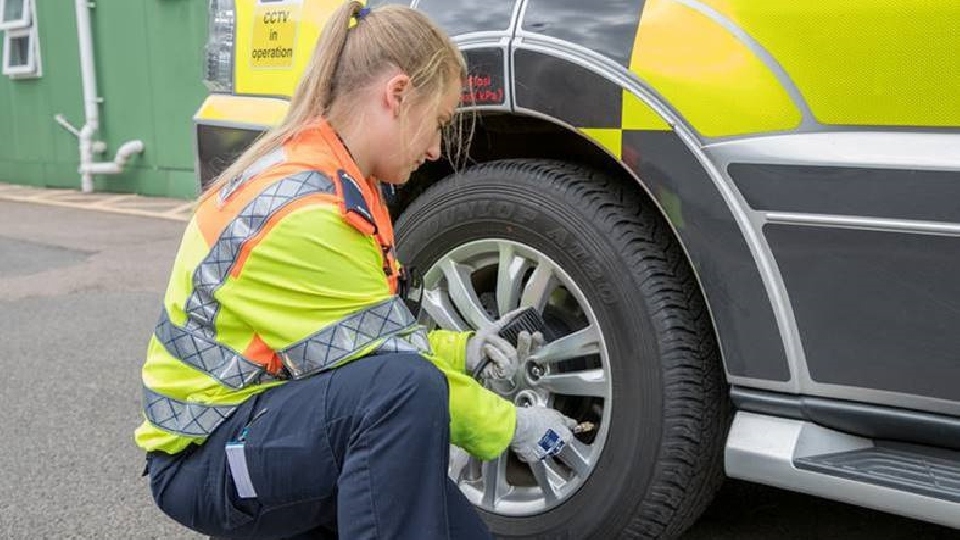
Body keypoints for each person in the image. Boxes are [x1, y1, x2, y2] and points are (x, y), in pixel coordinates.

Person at [135, 2, 579, 539]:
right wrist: (514, 425)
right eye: (438, 123)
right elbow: (391, 371)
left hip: (265, 424)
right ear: (396, 95)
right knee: (402, 396)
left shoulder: (332, 178)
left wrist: (464, 349)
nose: (438, 148)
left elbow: (364, 339)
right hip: (205, 460)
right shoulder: (305, 216)